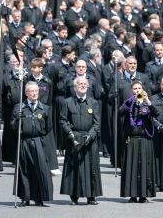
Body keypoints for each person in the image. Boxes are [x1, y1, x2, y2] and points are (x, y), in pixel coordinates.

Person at [59, 76, 102, 205]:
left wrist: (91, 134)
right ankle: (74, 196)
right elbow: (62, 120)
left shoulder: (93, 103)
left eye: (84, 84)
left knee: (91, 167)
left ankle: (91, 196)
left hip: (89, 138)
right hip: (74, 138)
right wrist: (69, 133)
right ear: (74, 87)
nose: (82, 86)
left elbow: (97, 123)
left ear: (88, 86)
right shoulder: (67, 102)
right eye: (80, 84)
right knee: (74, 168)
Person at [11, 81, 54, 207]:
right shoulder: (19, 107)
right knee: (25, 169)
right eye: (31, 91)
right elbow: (13, 127)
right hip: (24, 141)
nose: (34, 93)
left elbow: (48, 126)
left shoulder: (44, 108)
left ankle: (39, 198)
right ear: (26, 93)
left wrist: (39, 134)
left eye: (36, 91)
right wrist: (17, 120)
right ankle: (26, 197)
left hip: (39, 141)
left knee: (40, 169)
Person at [119, 81, 158, 203]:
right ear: (131, 90)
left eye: (139, 88)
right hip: (132, 138)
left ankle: (143, 195)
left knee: (145, 167)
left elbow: (156, 113)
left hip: (145, 138)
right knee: (132, 167)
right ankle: (132, 195)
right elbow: (120, 111)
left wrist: (147, 100)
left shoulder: (147, 103)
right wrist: (132, 100)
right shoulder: (129, 102)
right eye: (135, 88)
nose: (137, 90)